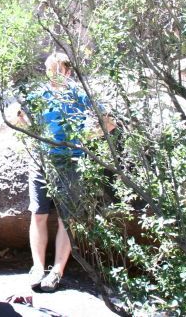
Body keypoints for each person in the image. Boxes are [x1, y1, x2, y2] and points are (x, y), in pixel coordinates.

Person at [13, 52, 115, 292]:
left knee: (66, 218)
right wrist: (22, 122)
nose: (55, 73)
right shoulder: (39, 95)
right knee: (38, 213)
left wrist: (81, 138)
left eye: (60, 69)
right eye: (51, 68)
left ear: (68, 71)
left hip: (71, 161)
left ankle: (57, 271)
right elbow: (22, 121)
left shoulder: (79, 95)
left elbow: (109, 123)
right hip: (41, 161)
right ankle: (38, 268)